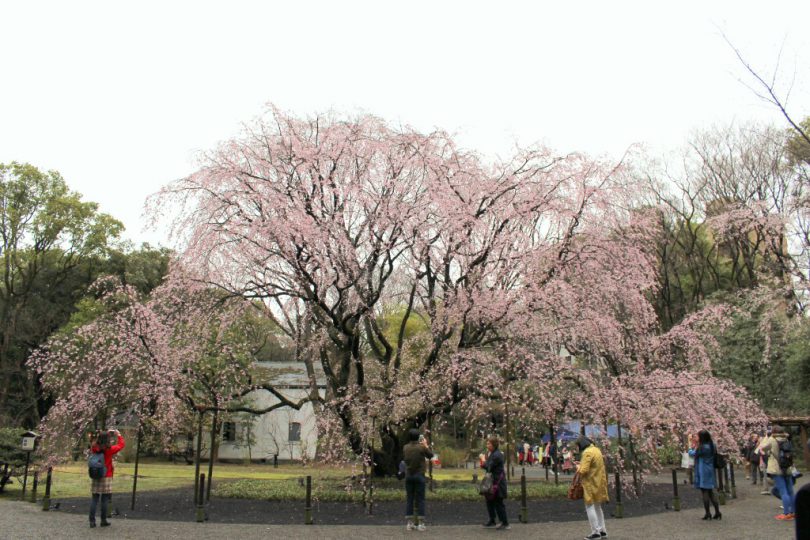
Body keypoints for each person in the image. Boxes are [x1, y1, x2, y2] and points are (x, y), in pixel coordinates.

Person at [89, 429, 125, 528]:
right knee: (105, 500)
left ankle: (92, 521)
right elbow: (121, 445)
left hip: (96, 474)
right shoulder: (110, 449)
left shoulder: (94, 447)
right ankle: (103, 520)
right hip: (106, 475)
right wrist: (119, 435)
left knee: (94, 499)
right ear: (108, 439)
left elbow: (96, 441)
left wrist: (103, 434)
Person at [576, 436, 609, 540]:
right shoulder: (596, 450)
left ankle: (595, 532)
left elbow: (583, 470)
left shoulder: (587, 452)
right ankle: (602, 530)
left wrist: (578, 467)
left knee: (590, 507)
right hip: (599, 482)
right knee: (598, 507)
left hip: (590, 483)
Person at [402, 428, 433, 531]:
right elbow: (430, 455)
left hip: (409, 475)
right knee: (420, 499)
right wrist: (425, 445)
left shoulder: (405, 447)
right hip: (419, 475)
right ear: (418, 437)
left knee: (409, 498)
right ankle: (421, 523)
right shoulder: (421, 448)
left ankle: (409, 523)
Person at [688, 430, 721, 521]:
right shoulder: (711, 445)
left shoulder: (702, 447)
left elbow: (693, 454)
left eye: (698, 436)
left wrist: (691, 447)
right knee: (710, 491)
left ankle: (708, 513)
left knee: (705, 492)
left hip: (703, 470)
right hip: (710, 469)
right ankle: (717, 512)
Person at [766, 425, 795, 521]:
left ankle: (786, 513)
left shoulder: (772, 440)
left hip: (777, 469)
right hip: (788, 468)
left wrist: (768, 437)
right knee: (790, 491)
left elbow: (762, 448)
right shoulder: (786, 439)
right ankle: (793, 512)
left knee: (783, 492)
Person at [481, 436, 509, 530]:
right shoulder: (492, 453)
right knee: (489, 501)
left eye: (489, 443)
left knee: (498, 502)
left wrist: (483, 460)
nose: (487, 445)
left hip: (497, 482)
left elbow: (489, 467)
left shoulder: (497, 455)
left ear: (494, 444)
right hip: (492, 481)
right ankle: (492, 520)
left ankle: (505, 522)